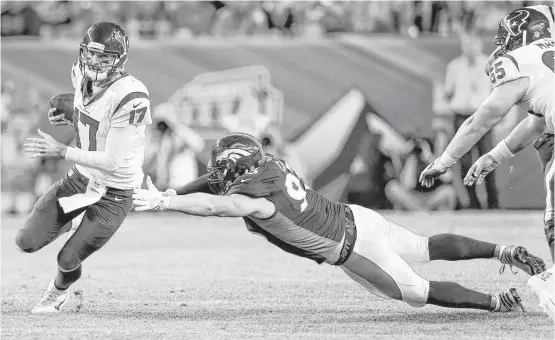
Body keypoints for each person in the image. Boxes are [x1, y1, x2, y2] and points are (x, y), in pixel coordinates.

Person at [133, 133, 545, 312]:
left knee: (417, 292)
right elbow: (213, 183)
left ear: (238, 169)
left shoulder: (256, 202)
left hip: (354, 250)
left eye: (224, 169)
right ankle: (500, 250)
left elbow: (212, 205)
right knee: (423, 246)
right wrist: (171, 192)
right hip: (357, 217)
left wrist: (167, 201)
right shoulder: (269, 164)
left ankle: (496, 303)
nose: (218, 175)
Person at [419, 5, 554, 319]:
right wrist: (495, 156)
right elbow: (537, 122)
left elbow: (477, 124)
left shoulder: (521, 61)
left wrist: (443, 161)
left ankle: (551, 282)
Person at [20, 22, 152, 313]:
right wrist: (73, 117)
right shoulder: (78, 72)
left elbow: (112, 160)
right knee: (26, 242)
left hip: (115, 191)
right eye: (91, 54)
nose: (95, 62)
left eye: (105, 57)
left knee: (68, 259)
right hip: (81, 179)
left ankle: (57, 292)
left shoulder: (130, 95)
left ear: (120, 59)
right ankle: (75, 220)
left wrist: (61, 150)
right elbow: (92, 117)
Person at [443, 33, 498, 209]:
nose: (470, 49)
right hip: (462, 117)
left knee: (488, 158)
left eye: (473, 45)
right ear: (462, 47)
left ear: (479, 46)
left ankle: (493, 202)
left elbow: (497, 90)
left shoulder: (489, 64)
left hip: (483, 114)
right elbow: (448, 92)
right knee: (466, 162)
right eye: (466, 45)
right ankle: (472, 202)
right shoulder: (454, 66)